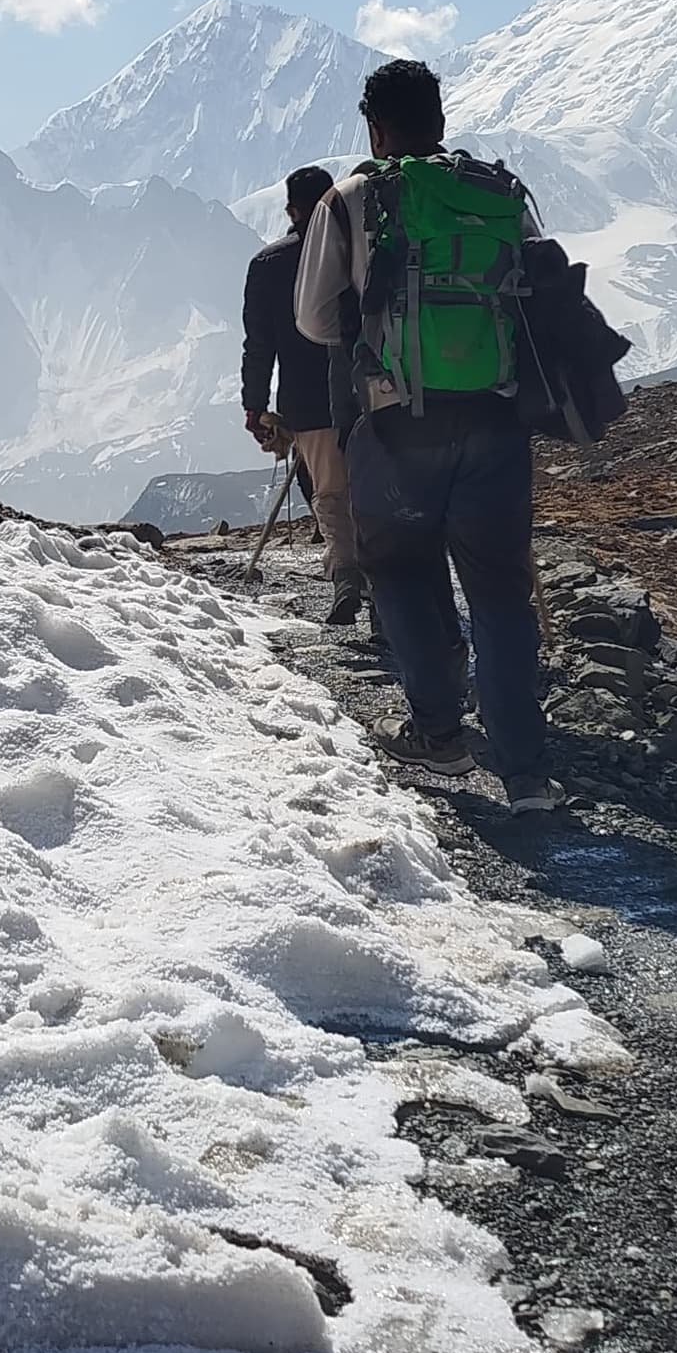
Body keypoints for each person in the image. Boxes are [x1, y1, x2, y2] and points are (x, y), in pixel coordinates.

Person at [294, 57, 561, 812]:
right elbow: (542, 288)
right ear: (442, 120)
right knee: (501, 593)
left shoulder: (352, 199)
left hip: (397, 422)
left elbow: (314, 320)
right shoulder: (502, 192)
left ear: (375, 129)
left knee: (405, 575)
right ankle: (525, 769)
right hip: (497, 419)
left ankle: (439, 734)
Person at [241, 166, 364, 624]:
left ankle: (346, 572)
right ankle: (388, 593)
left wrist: (255, 406)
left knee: (330, 493)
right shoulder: (359, 251)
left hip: (308, 403)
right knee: (371, 487)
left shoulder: (268, 266)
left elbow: (259, 346)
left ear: (292, 210)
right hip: (370, 391)